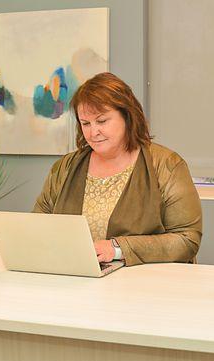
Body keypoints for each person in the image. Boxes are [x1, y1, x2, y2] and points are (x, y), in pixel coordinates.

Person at [33, 72, 202, 266]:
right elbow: (39, 226)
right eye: (85, 123)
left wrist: (117, 248)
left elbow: (187, 239)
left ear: (127, 116)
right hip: (76, 282)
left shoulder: (167, 165)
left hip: (146, 287)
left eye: (102, 121)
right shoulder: (64, 167)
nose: (93, 132)